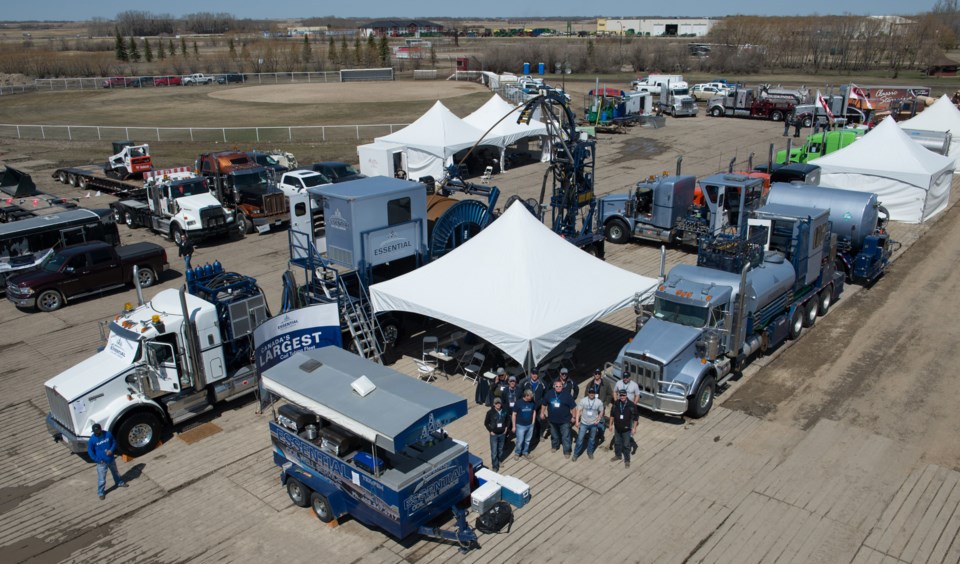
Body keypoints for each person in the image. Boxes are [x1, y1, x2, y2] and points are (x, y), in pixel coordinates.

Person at [87, 423, 128, 500]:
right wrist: (98, 460)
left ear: (101, 429)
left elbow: (114, 442)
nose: (97, 433)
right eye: (95, 432)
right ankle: (101, 492)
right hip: (101, 463)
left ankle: (119, 483)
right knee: (102, 479)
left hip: (111, 459)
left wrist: (111, 450)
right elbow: (90, 452)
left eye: (98, 431)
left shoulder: (108, 434)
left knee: (116, 472)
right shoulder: (92, 440)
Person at [541, 378, 577, 457]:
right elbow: (544, 404)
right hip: (552, 420)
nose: (558, 388)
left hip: (565, 420)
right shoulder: (549, 393)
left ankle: (567, 451)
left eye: (560, 386)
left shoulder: (567, 395)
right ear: (554, 386)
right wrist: (542, 413)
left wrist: (574, 417)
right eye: (556, 386)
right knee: (554, 435)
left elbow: (573, 407)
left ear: (562, 386)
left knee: (566, 437)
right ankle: (555, 446)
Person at [571, 387, 604, 462]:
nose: (591, 394)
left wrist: (598, 420)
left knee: (592, 439)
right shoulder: (583, 400)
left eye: (593, 392)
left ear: (595, 393)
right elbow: (578, 411)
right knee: (580, 439)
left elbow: (602, 411)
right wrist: (576, 422)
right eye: (590, 392)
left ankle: (590, 452)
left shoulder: (599, 402)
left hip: (593, 424)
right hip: (584, 423)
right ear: (588, 393)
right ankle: (576, 454)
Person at [612, 373, 642, 453]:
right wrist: (615, 401)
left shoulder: (634, 385)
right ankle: (620, 435)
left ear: (630, 378)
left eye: (627, 377)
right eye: (624, 377)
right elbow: (614, 391)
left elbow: (637, 395)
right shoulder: (618, 383)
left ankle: (629, 437)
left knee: (630, 423)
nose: (625, 378)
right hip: (620, 406)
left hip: (629, 407)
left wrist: (634, 405)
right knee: (619, 421)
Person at [609, 389, 639, 468]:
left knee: (626, 445)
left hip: (627, 429)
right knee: (617, 443)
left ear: (626, 396)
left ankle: (627, 460)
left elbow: (636, 418)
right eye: (621, 395)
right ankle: (618, 455)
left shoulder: (631, 405)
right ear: (619, 396)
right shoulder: (616, 404)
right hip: (617, 428)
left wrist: (634, 428)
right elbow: (612, 415)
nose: (622, 397)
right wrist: (610, 425)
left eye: (623, 395)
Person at [484, 397, 510, 471]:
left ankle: (499, 461)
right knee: (494, 451)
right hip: (494, 435)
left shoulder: (505, 411)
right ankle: (495, 466)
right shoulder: (489, 413)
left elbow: (508, 420)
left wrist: (506, 428)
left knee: (501, 449)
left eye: (499, 403)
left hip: (502, 434)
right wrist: (490, 431)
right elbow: (486, 423)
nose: (498, 405)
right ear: (494, 404)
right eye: (496, 403)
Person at [511, 388, 537, 460]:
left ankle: (525, 452)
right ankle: (517, 453)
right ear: (526, 396)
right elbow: (514, 414)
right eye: (530, 396)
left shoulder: (532, 402)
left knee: (528, 440)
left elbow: (534, 411)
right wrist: (513, 426)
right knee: (520, 440)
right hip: (520, 426)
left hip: (530, 425)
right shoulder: (518, 403)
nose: (532, 397)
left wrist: (533, 421)